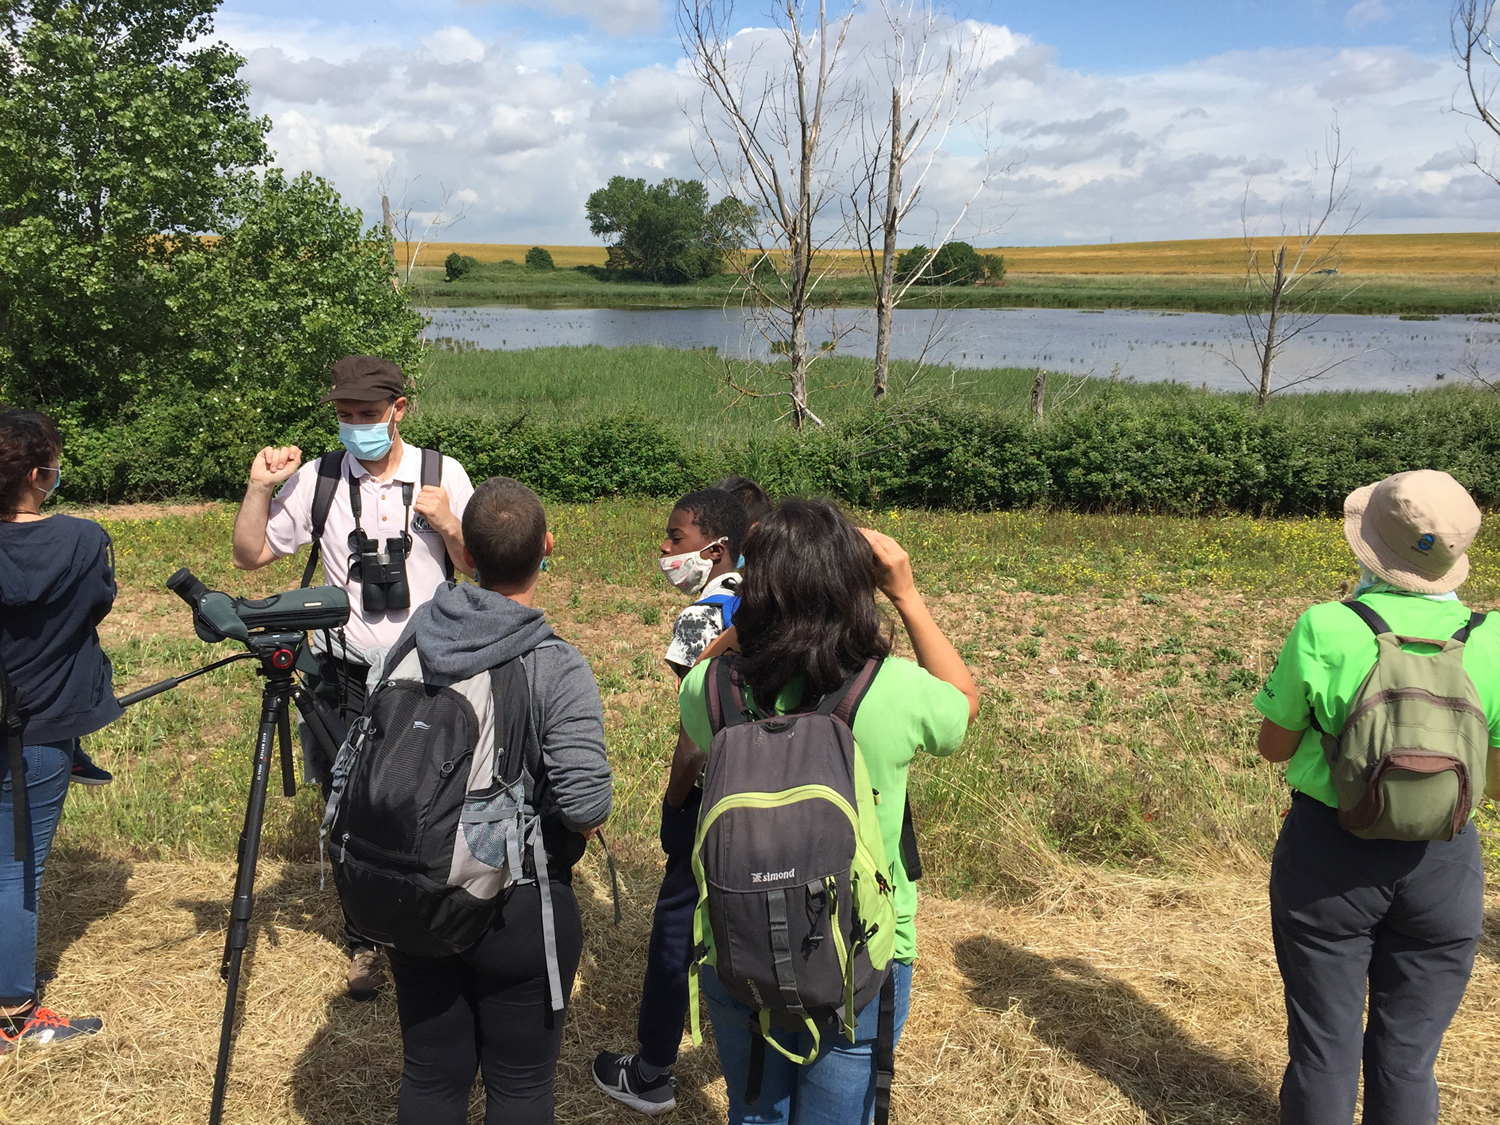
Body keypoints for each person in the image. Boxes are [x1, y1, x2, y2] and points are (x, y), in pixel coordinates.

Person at [679, 498, 978, 1125]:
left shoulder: (709, 692)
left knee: (756, 1112)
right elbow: (963, 703)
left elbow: (700, 677)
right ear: (854, 587)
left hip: (740, 943)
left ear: (751, 587)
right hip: (862, 950)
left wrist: (755, 616)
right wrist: (908, 596)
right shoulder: (891, 690)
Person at [1253, 469, 1500, 1125]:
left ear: (1370, 548)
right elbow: (1495, 777)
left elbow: (1273, 746)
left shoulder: (1325, 626)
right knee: (1408, 1058)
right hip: (1444, 864)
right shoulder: (1492, 638)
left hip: (1327, 853)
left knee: (1324, 1050)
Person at [231, 354, 474, 999]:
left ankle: (424, 917)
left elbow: (477, 566)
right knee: (346, 803)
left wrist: (450, 524)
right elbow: (252, 555)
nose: (355, 427)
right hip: (341, 671)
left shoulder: (442, 473)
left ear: (399, 410)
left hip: (427, 673)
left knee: (426, 797)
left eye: (367, 415)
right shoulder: (319, 478)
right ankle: (364, 937)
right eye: (344, 416)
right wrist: (259, 487)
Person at [384, 476, 613, 1125]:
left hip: (421, 891)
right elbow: (585, 801)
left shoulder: (414, 638)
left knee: (430, 1073)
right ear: (547, 547)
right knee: (519, 1086)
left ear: (468, 554)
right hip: (518, 903)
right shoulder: (556, 663)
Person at [592, 488, 750, 1114]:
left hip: (713, 794)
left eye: (675, 538)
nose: (663, 548)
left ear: (715, 548)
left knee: (676, 924)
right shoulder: (766, 596)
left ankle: (653, 1069)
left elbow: (696, 729)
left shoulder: (702, 617)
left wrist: (674, 797)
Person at [0, 408, 116, 1050]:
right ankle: (14, 1013)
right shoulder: (81, 539)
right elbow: (99, 600)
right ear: (42, 476)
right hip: (41, 735)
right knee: (16, 869)